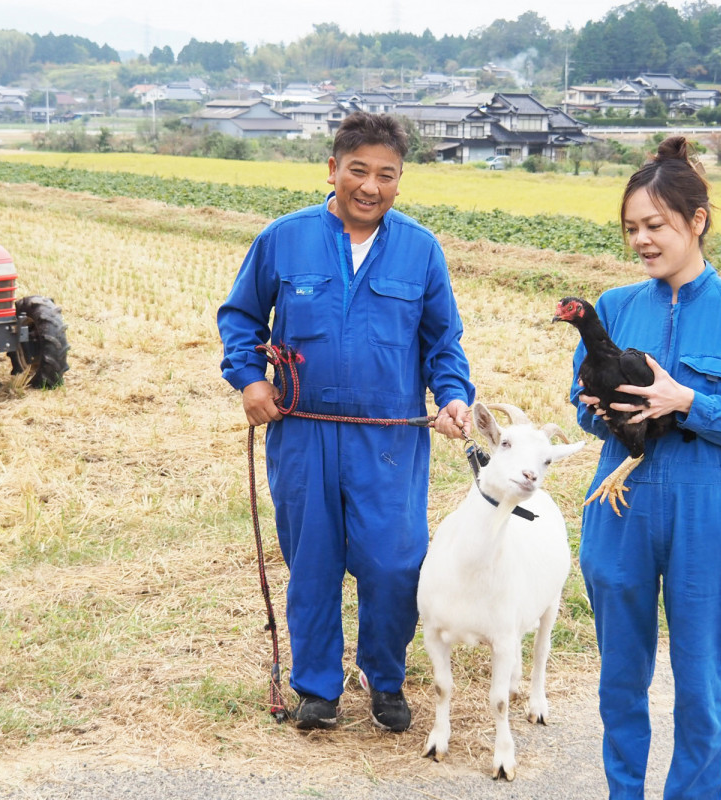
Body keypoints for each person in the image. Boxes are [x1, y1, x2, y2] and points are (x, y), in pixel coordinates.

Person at [217, 112, 474, 733]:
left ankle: (384, 678)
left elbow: (443, 343)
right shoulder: (284, 238)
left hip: (390, 438)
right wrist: (251, 381)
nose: (370, 186)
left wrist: (453, 395)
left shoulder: (420, 249)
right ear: (332, 169)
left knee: (394, 562)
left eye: (386, 175)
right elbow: (240, 319)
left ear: (399, 181)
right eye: (357, 170)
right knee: (313, 560)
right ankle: (315, 688)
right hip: (303, 431)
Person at [568, 136, 721, 798]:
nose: (642, 239)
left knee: (700, 686)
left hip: (702, 508)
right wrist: (593, 407)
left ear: (697, 221)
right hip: (619, 507)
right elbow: (582, 411)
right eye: (632, 228)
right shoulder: (616, 306)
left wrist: (686, 400)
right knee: (620, 682)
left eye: (656, 225)